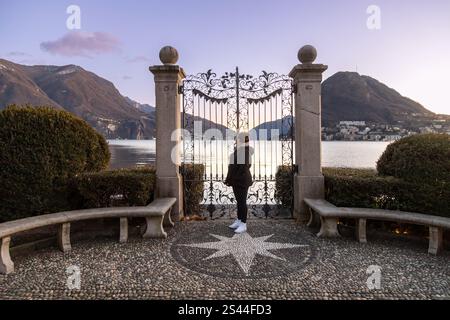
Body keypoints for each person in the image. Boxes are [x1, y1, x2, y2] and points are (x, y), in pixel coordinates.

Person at [225, 131, 254, 234]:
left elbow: (244, 167)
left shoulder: (245, 151)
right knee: (239, 202)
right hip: (236, 180)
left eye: (237, 138)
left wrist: (235, 177)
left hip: (242, 181)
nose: (236, 140)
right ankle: (239, 220)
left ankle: (243, 223)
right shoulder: (239, 149)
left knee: (242, 202)